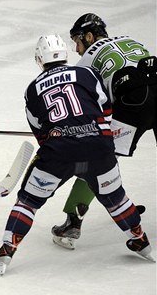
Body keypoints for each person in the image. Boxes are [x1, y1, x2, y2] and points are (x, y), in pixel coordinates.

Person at [0, 34, 155, 275]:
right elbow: (105, 110)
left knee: (28, 202)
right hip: (99, 149)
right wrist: (90, 132)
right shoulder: (87, 74)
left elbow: (39, 132)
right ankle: (142, 243)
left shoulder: (32, 89)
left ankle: (5, 252)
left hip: (58, 154)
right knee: (116, 199)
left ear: (39, 59)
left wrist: (64, 137)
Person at [52, 13, 157, 249]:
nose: (77, 49)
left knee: (99, 161)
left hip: (133, 104)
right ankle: (125, 209)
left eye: (77, 42)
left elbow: (85, 108)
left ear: (88, 36)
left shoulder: (86, 62)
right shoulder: (132, 41)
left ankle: (72, 223)